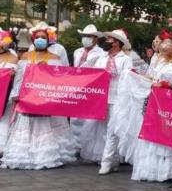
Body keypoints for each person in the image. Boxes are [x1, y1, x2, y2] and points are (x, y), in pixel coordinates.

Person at [1, 27, 76, 170]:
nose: (40, 40)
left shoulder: (55, 58)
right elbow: (19, 78)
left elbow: (59, 80)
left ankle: (45, 156)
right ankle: (24, 156)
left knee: (45, 126)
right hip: (26, 99)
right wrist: (15, 94)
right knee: (26, 126)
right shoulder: (25, 57)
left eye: (43, 37)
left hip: (45, 100)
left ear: (49, 40)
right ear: (33, 40)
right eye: (37, 37)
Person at [131, 31, 172, 182]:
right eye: (163, 42)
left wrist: (164, 84)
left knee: (169, 132)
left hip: (170, 102)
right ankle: (154, 168)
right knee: (154, 131)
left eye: (168, 43)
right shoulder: (158, 60)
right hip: (154, 101)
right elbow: (152, 77)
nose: (164, 45)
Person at [97, 30, 134, 174]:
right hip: (101, 98)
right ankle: (114, 159)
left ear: (117, 43)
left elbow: (128, 78)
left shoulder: (125, 59)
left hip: (117, 99)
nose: (106, 41)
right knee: (104, 130)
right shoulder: (101, 59)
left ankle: (105, 162)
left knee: (112, 130)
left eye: (109, 40)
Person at [72, 24, 107, 162]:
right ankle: (75, 145)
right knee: (75, 117)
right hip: (76, 86)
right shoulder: (77, 52)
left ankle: (86, 146)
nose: (86, 39)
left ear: (96, 38)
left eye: (89, 36)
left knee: (88, 119)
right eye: (84, 36)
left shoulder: (101, 54)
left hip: (91, 88)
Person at [0, 30, 18, 154]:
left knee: (4, 121)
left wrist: (12, 75)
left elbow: (19, 76)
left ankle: (1, 148)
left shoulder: (14, 57)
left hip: (6, 94)